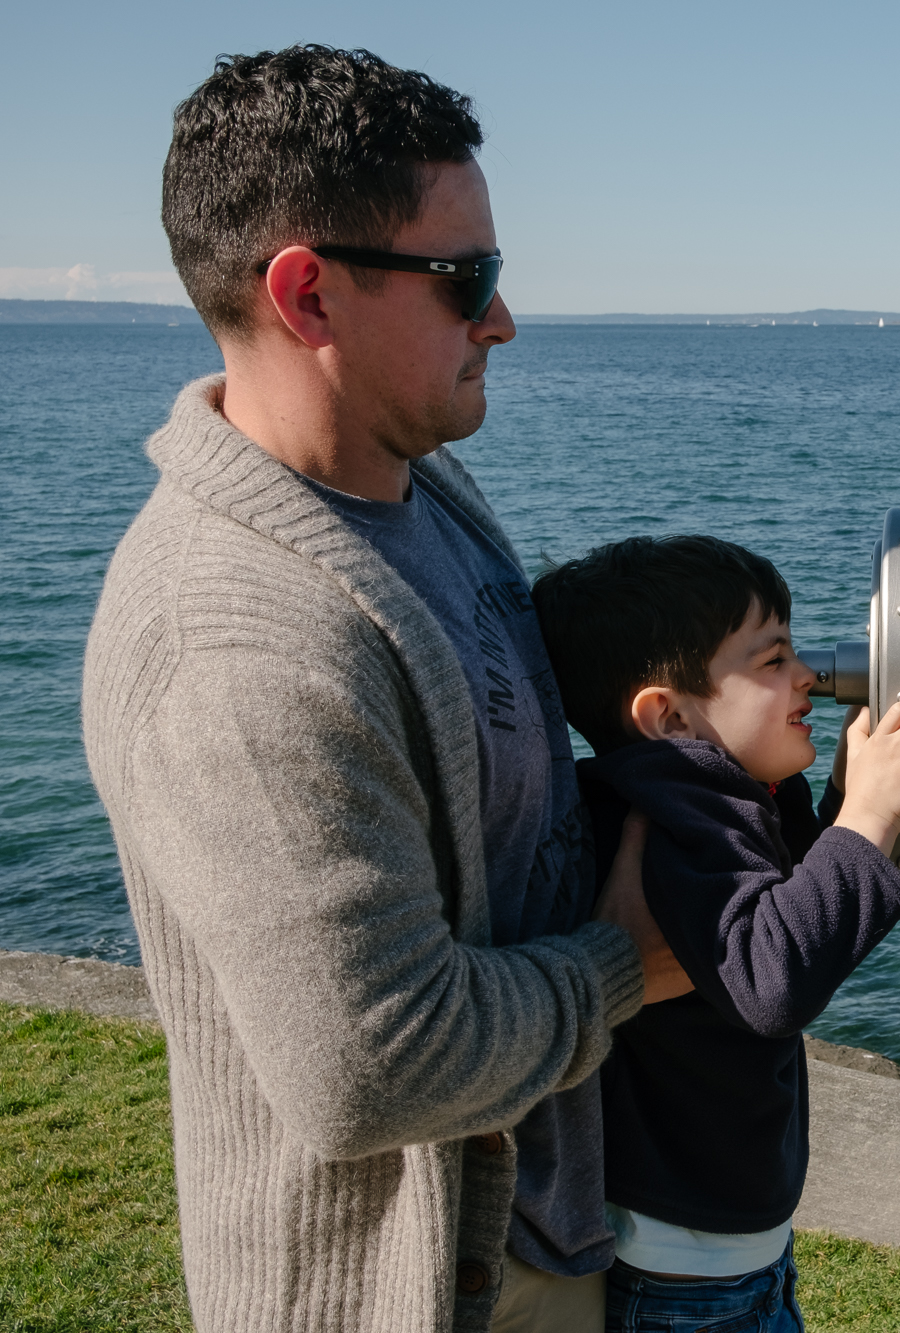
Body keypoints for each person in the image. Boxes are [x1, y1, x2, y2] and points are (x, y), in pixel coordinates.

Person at [81, 46, 687, 1333]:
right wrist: (623, 965)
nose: (501, 320)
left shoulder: (406, 483)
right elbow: (372, 1064)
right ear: (306, 294)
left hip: (541, 1240)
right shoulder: (237, 647)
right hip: (410, 1292)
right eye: (467, 279)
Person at [530, 535, 900, 1332]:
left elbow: (779, 906)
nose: (808, 678)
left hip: (712, 1248)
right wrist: (867, 818)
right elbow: (767, 979)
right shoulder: (675, 820)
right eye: (772, 661)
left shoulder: (707, 797)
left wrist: (840, 800)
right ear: (669, 714)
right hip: (687, 1270)